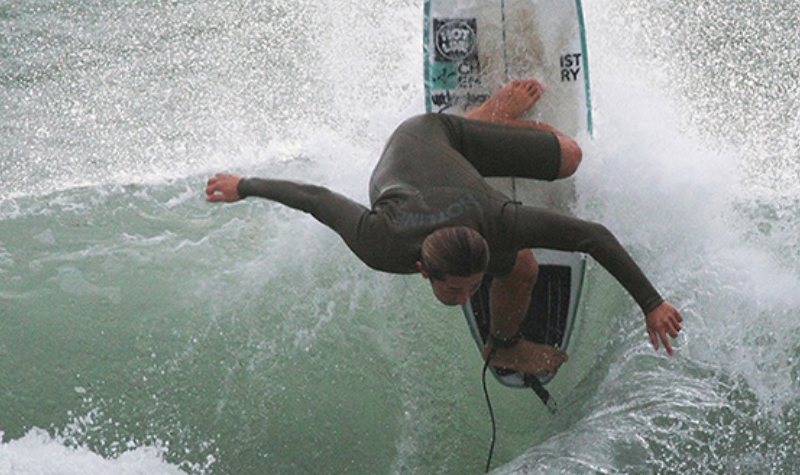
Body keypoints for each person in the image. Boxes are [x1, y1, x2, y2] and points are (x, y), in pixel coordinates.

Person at [206, 79, 682, 375]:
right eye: (458, 291)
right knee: (523, 269)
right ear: (422, 269)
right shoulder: (380, 243)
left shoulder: (501, 222)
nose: (465, 297)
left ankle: (482, 121)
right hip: (417, 149)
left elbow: (592, 236)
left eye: (472, 287)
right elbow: (315, 198)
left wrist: (651, 302)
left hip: (445, 147)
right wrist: (243, 185)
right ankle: (504, 348)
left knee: (570, 156)